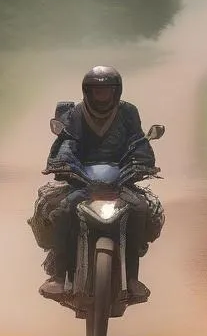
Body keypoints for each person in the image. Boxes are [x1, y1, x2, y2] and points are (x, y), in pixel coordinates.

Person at [27, 65, 164, 303]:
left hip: (120, 180)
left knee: (141, 210)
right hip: (82, 180)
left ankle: (132, 278)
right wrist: (63, 164)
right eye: (96, 91)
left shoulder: (128, 112)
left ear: (116, 92)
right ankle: (59, 277)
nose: (102, 95)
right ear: (87, 92)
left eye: (107, 91)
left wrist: (142, 162)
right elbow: (68, 142)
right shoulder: (77, 114)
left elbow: (137, 140)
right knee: (62, 212)